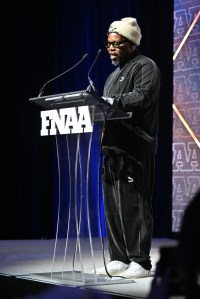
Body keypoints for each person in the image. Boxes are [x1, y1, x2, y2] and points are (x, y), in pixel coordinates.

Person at [95, 17, 161, 279]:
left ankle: (141, 261)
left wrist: (110, 100)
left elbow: (141, 97)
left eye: (117, 44)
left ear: (131, 43)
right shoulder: (112, 76)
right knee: (113, 206)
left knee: (135, 204)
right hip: (112, 148)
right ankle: (119, 258)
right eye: (109, 44)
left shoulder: (146, 67)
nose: (111, 48)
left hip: (136, 147)